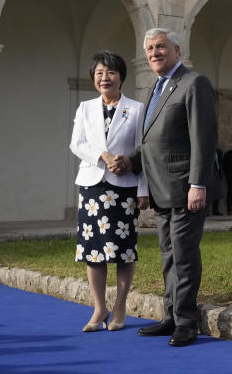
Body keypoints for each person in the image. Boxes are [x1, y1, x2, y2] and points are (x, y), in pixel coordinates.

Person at [130, 28, 218, 347]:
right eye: (150, 48)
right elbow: (152, 142)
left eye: (161, 47)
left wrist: (198, 184)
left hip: (185, 187)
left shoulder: (194, 83)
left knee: (183, 254)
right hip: (161, 189)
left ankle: (186, 321)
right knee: (168, 254)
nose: (154, 52)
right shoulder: (156, 87)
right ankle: (170, 315)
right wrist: (127, 162)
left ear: (177, 51)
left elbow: (203, 138)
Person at [69, 51, 147, 333]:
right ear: (94, 78)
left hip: (124, 188)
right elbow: (77, 144)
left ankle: (120, 306)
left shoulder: (136, 109)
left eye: (111, 72)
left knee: (123, 251)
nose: (105, 78)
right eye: (100, 73)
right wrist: (102, 156)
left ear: (121, 77)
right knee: (93, 251)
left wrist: (142, 188)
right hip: (92, 186)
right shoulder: (85, 108)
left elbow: (142, 151)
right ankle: (99, 306)